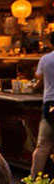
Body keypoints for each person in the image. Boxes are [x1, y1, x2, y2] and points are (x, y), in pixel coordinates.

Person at [32, 32, 54, 176]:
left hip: (50, 103)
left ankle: (34, 183)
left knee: (43, 146)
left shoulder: (46, 59)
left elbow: (39, 78)